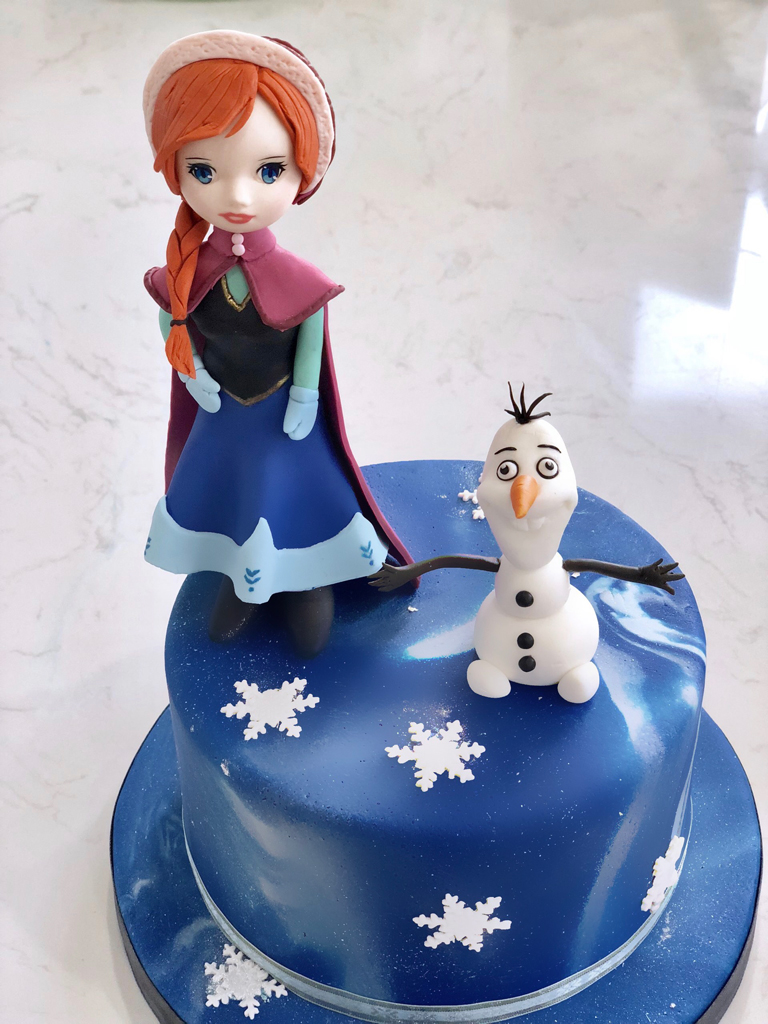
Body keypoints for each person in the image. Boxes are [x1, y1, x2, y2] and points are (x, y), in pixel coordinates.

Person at [142, 31, 411, 656]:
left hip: (286, 416)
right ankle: (245, 577)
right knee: (235, 496)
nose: (238, 197)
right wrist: (192, 374)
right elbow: (171, 317)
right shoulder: (188, 272)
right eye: (204, 171)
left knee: (298, 498)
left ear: (302, 172)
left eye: (269, 171)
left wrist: (305, 395)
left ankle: (308, 580)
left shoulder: (299, 281)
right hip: (223, 417)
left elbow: (311, 332)